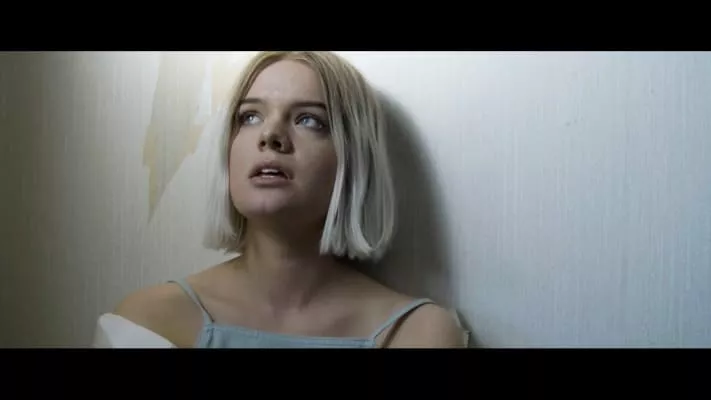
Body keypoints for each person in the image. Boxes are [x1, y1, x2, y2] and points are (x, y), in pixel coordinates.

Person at [94, 51, 467, 348]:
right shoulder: (149, 320)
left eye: (309, 120)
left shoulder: (417, 334)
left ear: (352, 160)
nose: (270, 135)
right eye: (250, 117)